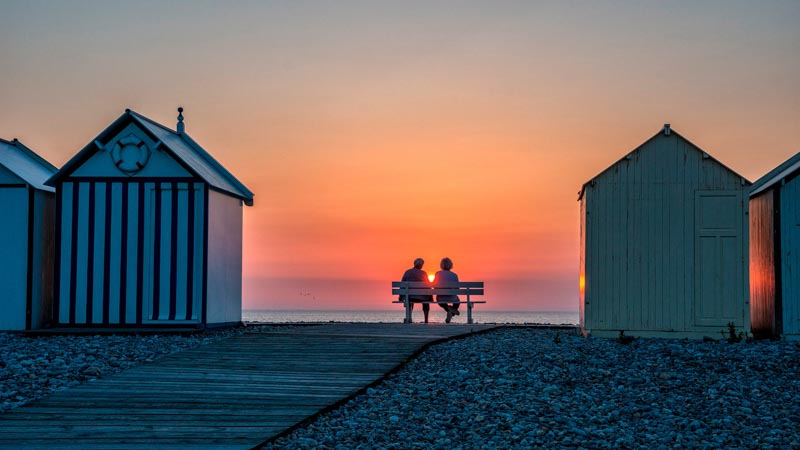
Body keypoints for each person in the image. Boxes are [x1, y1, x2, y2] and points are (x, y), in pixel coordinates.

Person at [400, 258, 432, 323]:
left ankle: (409, 317)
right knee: (426, 301)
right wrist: (430, 296)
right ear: (422, 265)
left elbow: (402, 285)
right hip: (422, 297)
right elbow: (428, 286)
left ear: (414, 264)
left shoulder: (407, 272)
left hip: (410, 297)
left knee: (409, 298)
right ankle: (426, 320)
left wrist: (401, 296)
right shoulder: (424, 273)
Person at [433, 257, 461, 323]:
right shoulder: (454, 275)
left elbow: (434, 286)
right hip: (452, 297)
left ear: (441, 265)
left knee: (440, 302)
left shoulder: (438, 274)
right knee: (457, 302)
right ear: (451, 265)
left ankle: (448, 310)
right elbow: (457, 288)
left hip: (441, 298)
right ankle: (451, 311)